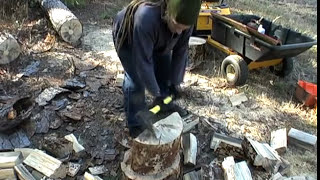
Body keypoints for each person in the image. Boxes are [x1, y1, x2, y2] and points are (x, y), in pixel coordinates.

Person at [112, 0, 201, 137]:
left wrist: (175, 82)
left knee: (164, 69)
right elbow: (143, 62)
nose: (179, 32)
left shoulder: (184, 23)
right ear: (167, 12)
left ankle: (164, 104)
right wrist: (155, 91)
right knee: (135, 79)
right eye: (177, 25)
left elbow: (180, 51)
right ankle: (135, 122)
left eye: (183, 28)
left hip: (158, 35)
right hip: (128, 37)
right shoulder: (146, 17)